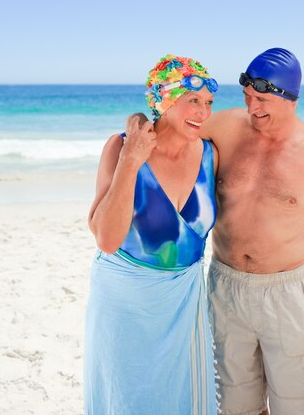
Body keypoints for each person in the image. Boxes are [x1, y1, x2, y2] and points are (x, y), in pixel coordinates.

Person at [201, 47, 304, 415]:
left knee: (302, 405)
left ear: (290, 98)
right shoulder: (225, 127)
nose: (251, 107)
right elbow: (172, 138)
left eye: (261, 99)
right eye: (247, 97)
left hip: (286, 294)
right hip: (224, 287)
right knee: (233, 405)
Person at [84, 54, 220, 415]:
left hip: (183, 303)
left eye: (208, 102)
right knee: (127, 399)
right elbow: (107, 239)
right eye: (192, 100)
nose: (203, 112)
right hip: (124, 301)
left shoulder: (210, 153)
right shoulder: (121, 146)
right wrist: (131, 161)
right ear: (162, 99)